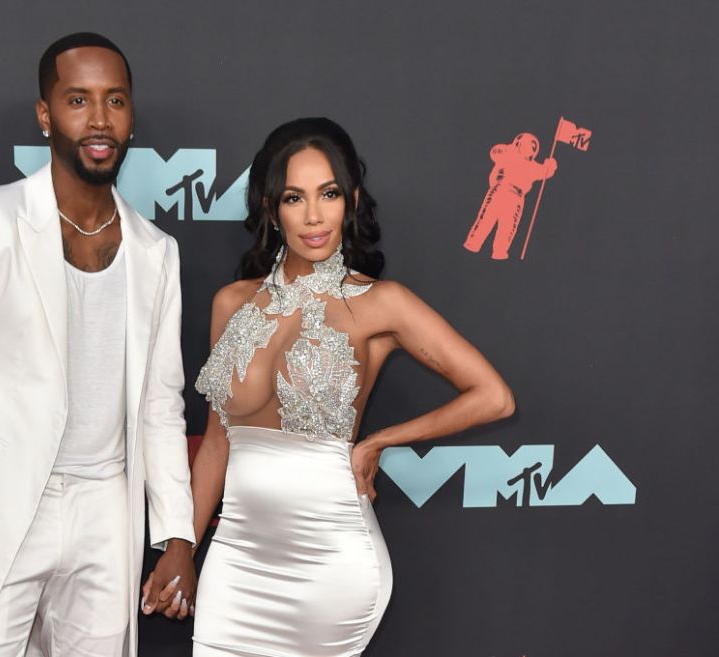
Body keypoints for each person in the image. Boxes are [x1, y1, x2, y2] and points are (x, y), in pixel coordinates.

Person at [175, 117, 514, 656]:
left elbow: (494, 396)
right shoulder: (231, 304)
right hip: (235, 562)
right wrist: (183, 549)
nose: (314, 216)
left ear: (350, 200)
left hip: (330, 566)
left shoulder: (379, 303)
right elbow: (216, 445)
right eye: (294, 197)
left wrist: (379, 441)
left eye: (328, 194)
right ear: (270, 208)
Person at [0, 32, 195, 657]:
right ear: (45, 114)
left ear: (131, 115)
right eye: (78, 100)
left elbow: (160, 407)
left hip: (106, 513)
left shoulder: (157, 252)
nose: (99, 120)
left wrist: (177, 534)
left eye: (115, 101)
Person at [463, 132, 557, 260]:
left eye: (533, 147)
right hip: (499, 189)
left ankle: (500, 253)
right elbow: (494, 152)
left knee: (508, 227)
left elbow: (544, 172)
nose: (530, 148)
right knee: (486, 218)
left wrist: (550, 166)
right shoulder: (507, 153)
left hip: (516, 197)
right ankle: (473, 244)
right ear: (518, 143)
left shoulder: (532, 166)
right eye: (528, 144)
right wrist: (508, 149)